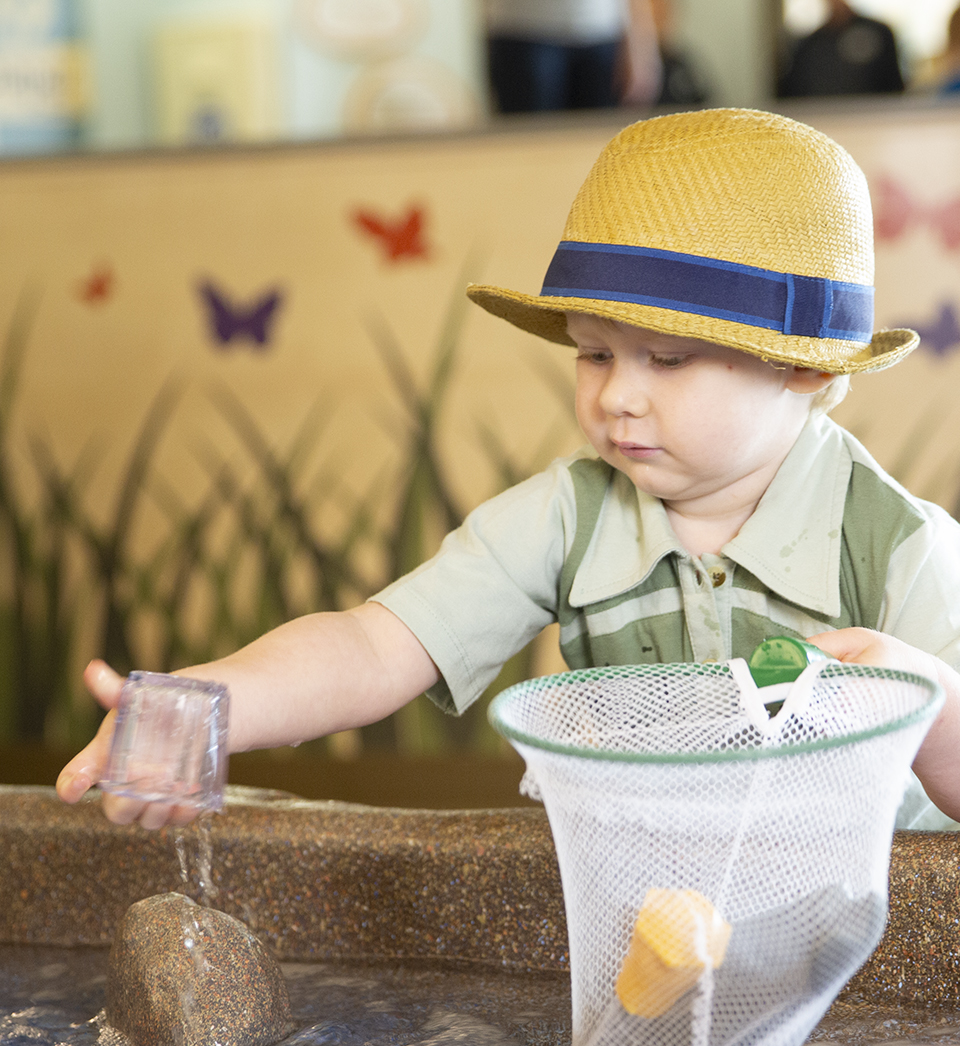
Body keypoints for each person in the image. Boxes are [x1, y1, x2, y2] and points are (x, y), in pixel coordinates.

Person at [57, 108, 960, 832]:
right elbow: (375, 646)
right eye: (596, 355)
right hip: (651, 915)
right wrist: (210, 705)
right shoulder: (569, 518)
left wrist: (928, 705)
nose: (617, 399)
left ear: (807, 367)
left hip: (878, 937)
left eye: (669, 361)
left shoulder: (900, 549)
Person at [485, 0, 662, 112]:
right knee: (532, 146)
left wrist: (642, 45)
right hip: (522, 31)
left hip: (604, 32)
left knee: (602, 148)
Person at [779, 0, 903, 98]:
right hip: (820, 119)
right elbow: (792, 92)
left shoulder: (879, 33)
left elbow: (894, 87)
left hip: (874, 118)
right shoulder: (809, 45)